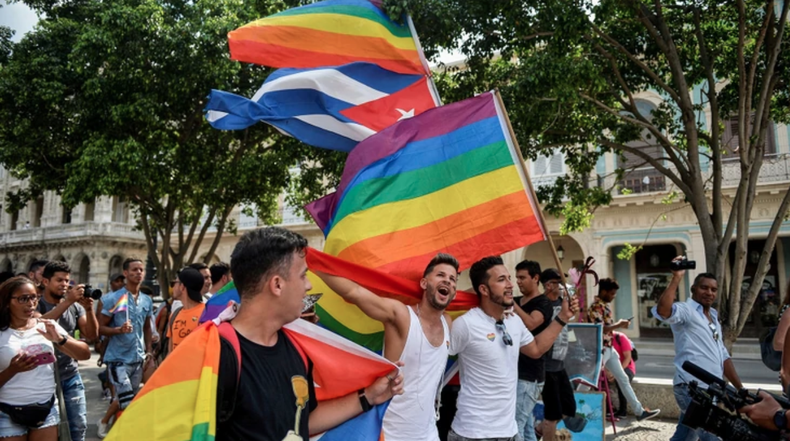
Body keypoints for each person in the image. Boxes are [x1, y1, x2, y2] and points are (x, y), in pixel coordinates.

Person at [216, 226, 403, 441]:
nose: (309, 285)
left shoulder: (297, 348)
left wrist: (368, 396)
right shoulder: (216, 352)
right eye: (303, 275)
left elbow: (302, 420)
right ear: (277, 284)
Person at [315, 253, 459, 441]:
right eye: (441, 275)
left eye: (452, 279)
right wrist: (312, 261)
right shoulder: (402, 316)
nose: (447, 281)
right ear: (424, 283)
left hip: (429, 434)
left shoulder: (447, 322)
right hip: (391, 434)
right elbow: (354, 293)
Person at [449, 257, 578, 441]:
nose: (511, 284)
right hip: (472, 433)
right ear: (484, 289)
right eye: (502, 280)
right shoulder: (466, 324)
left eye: (509, 278)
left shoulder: (513, 321)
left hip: (509, 432)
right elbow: (437, 360)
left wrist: (563, 317)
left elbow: (535, 349)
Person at [653, 257, 743, 441]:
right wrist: (676, 278)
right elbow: (663, 311)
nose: (709, 292)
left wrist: (740, 388)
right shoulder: (686, 310)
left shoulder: (713, 316)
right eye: (704, 288)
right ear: (694, 289)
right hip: (691, 389)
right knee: (712, 436)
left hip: (711, 391)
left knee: (685, 437)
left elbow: (723, 356)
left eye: (713, 289)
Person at [0, 277, 90, 441]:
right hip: (7, 412)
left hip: (46, 410)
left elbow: (84, 354)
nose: (31, 303)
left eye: (34, 297)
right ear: (7, 302)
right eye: (23, 298)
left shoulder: (45, 325)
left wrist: (60, 340)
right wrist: (12, 370)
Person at [36, 261, 99, 441]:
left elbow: (92, 335)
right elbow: (39, 326)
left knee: (77, 427)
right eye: (59, 280)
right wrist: (69, 301)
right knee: (49, 429)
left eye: (67, 281)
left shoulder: (75, 307)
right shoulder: (36, 304)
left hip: (70, 375)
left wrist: (89, 309)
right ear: (46, 282)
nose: (64, 284)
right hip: (43, 378)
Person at [586, 278, 659, 420]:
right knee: (587, 381)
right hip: (600, 349)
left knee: (623, 379)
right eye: (612, 293)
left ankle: (639, 412)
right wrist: (619, 324)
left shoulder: (605, 306)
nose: (614, 296)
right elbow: (600, 328)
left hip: (609, 348)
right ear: (604, 291)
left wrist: (618, 325)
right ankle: (569, 407)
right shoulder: (595, 307)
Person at [97, 258, 153, 437]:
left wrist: (149, 349)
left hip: (137, 358)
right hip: (117, 359)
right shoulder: (113, 298)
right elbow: (100, 327)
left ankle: (107, 423)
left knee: (124, 397)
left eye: (141, 270)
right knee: (127, 399)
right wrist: (117, 329)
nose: (139, 273)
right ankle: (130, 432)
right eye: (135, 270)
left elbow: (147, 327)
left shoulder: (146, 300)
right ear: (126, 273)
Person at [512, 259, 554, 441]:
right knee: (528, 428)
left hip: (530, 375)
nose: (518, 282)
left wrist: (511, 305)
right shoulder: (514, 300)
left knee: (515, 426)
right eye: (516, 278)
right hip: (515, 372)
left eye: (522, 277)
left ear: (535, 278)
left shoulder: (543, 303)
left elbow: (531, 323)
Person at [165, 267, 206, 354]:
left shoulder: (206, 314)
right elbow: (170, 351)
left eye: (174, 283)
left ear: (182, 287)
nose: (172, 287)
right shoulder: (175, 314)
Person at [610, 331, 636, 418]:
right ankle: (608, 408)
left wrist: (616, 372)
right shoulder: (601, 339)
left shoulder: (620, 337)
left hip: (626, 367)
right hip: (608, 369)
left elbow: (628, 357)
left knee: (621, 379)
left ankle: (623, 410)